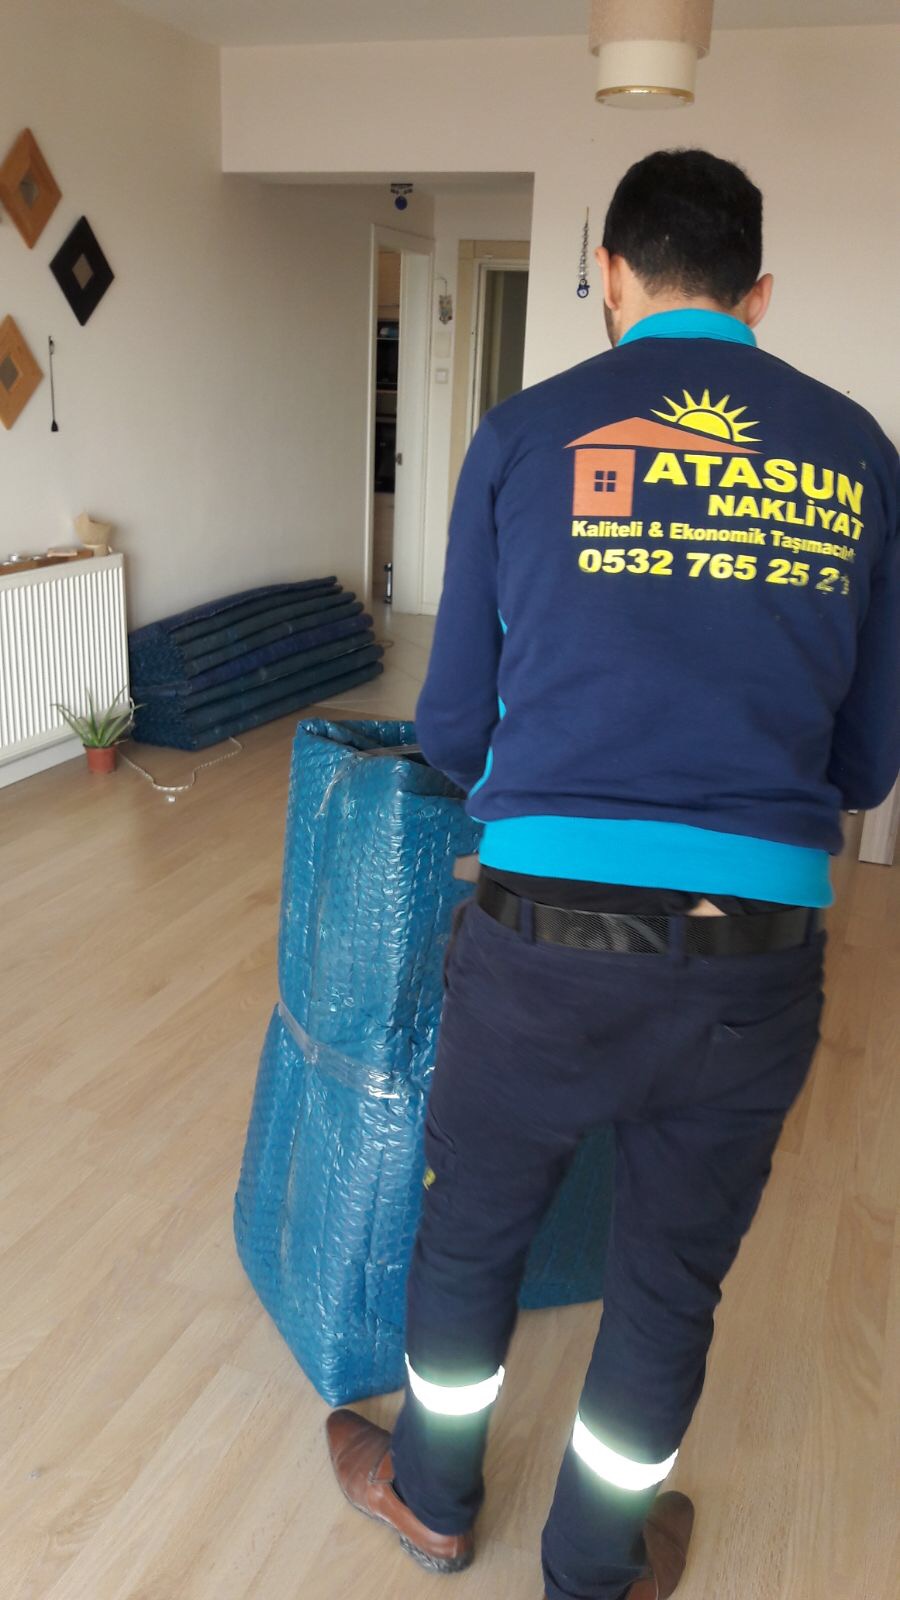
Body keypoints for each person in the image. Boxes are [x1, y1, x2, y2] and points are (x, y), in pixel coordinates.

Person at [325, 149, 900, 1600]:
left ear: (609, 275)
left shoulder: (527, 434)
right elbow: (870, 761)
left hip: (538, 953)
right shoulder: (858, 454)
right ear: (758, 293)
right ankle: (594, 1568)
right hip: (754, 963)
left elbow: (452, 729)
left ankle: (433, 1501)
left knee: (471, 1238)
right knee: (667, 1285)